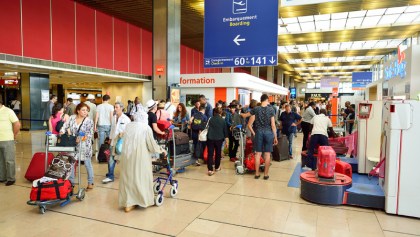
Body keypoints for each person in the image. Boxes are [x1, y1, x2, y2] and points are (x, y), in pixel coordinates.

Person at [118, 109, 166, 212]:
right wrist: (161, 150)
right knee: (140, 177)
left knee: (128, 178)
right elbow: (152, 145)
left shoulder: (129, 126)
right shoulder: (145, 128)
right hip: (140, 157)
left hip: (127, 157)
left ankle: (128, 203)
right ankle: (141, 200)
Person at [60, 102, 94, 189]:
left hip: (84, 146)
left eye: (86, 110)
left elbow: (90, 134)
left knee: (87, 164)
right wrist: (62, 131)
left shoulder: (89, 121)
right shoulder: (71, 118)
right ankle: (71, 182)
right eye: (83, 110)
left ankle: (90, 182)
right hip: (72, 144)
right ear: (78, 111)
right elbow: (64, 126)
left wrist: (81, 138)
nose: (85, 112)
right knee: (71, 163)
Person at [247, 94, 278, 180]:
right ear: (267, 100)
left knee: (258, 154)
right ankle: (266, 174)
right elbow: (273, 125)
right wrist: (275, 137)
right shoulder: (271, 109)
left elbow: (249, 123)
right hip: (268, 133)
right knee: (267, 154)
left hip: (259, 132)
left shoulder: (256, 109)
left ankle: (257, 174)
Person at [102, 102, 131, 184]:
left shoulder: (126, 119)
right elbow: (112, 129)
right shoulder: (114, 117)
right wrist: (110, 139)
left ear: (121, 108)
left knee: (123, 160)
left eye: (117, 107)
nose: (115, 109)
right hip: (113, 142)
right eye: (115, 107)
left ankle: (127, 176)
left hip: (121, 143)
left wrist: (124, 134)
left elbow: (129, 131)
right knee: (111, 159)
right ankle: (110, 176)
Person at [0, 96, 20, 186]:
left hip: (7, 139)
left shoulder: (8, 111)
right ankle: (2, 177)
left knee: (9, 160)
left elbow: (17, 124)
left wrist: (14, 135)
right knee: (1, 160)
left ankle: (11, 178)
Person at [206, 107, 228, 176]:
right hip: (219, 139)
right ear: (220, 113)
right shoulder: (223, 120)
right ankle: (217, 167)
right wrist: (227, 141)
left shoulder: (210, 119)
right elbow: (225, 132)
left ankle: (210, 170)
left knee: (210, 154)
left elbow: (206, 128)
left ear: (214, 112)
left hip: (210, 138)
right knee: (218, 154)